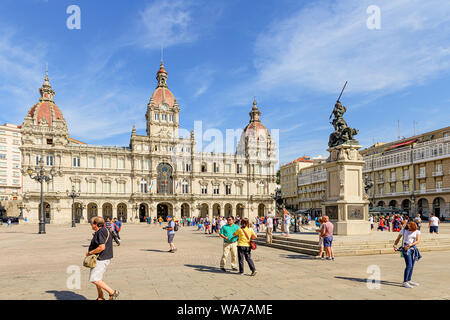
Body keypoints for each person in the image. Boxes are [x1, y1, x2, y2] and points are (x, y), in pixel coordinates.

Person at [87, 216, 119, 300]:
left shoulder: (100, 232)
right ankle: (100, 297)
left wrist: (90, 252)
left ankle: (112, 292)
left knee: (94, 279)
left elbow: (101, 247)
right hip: (104, 257)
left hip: (101, 259)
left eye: (91, 223)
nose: (90, 225)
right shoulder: (104, 230)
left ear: (96, 224)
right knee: (98, 279)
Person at [393, 221, 421, 288]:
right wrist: (395, 245)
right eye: (410, 229)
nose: (411, 231)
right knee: (409, 265)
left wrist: (410, 245)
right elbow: (398, 238)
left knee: (412, 265)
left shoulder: (417, 231)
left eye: (412, 230)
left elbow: (418, 241)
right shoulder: (403, 230)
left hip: (413, 248)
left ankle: (409, 280)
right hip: (406, 249)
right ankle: (405, 282)